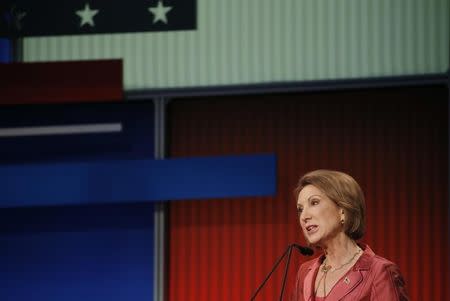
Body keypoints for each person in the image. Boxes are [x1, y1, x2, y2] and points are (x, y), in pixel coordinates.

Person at [290, 170, 409, 301]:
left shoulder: (379, 272)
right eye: (300, 209)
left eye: (314, 202)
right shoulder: (305, 272)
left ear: (343, 210)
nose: (304, 216)